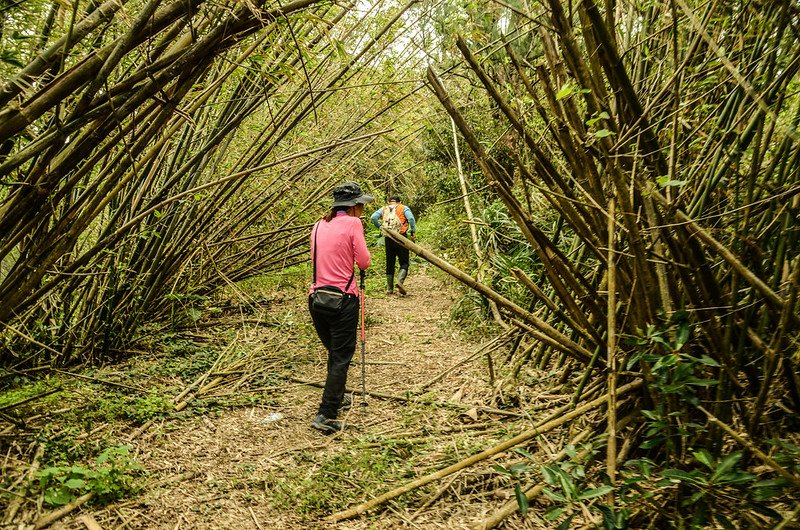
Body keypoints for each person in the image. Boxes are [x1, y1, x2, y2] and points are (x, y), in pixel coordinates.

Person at [308, 182, 373, 433]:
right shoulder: (354, 224)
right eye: (361, 205)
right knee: (340, 358)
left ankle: (337, 395)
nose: (362, 210)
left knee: (335, 354)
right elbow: (364, 262)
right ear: (353, 206)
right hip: (343, 301)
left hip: (316, 300)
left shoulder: (318, 224)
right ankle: (325, 414)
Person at [370, 194, 416, 295]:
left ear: (389, 202)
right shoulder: (404, 208)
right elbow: (411, 219)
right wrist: (413, 231)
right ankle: (399, 281)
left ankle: (389, 289)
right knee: (404, 262)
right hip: (401, 237)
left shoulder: (384, 208)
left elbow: (373, 217)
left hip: (388, 238)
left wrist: (381, 228)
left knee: (390, 262)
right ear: (400, 202)